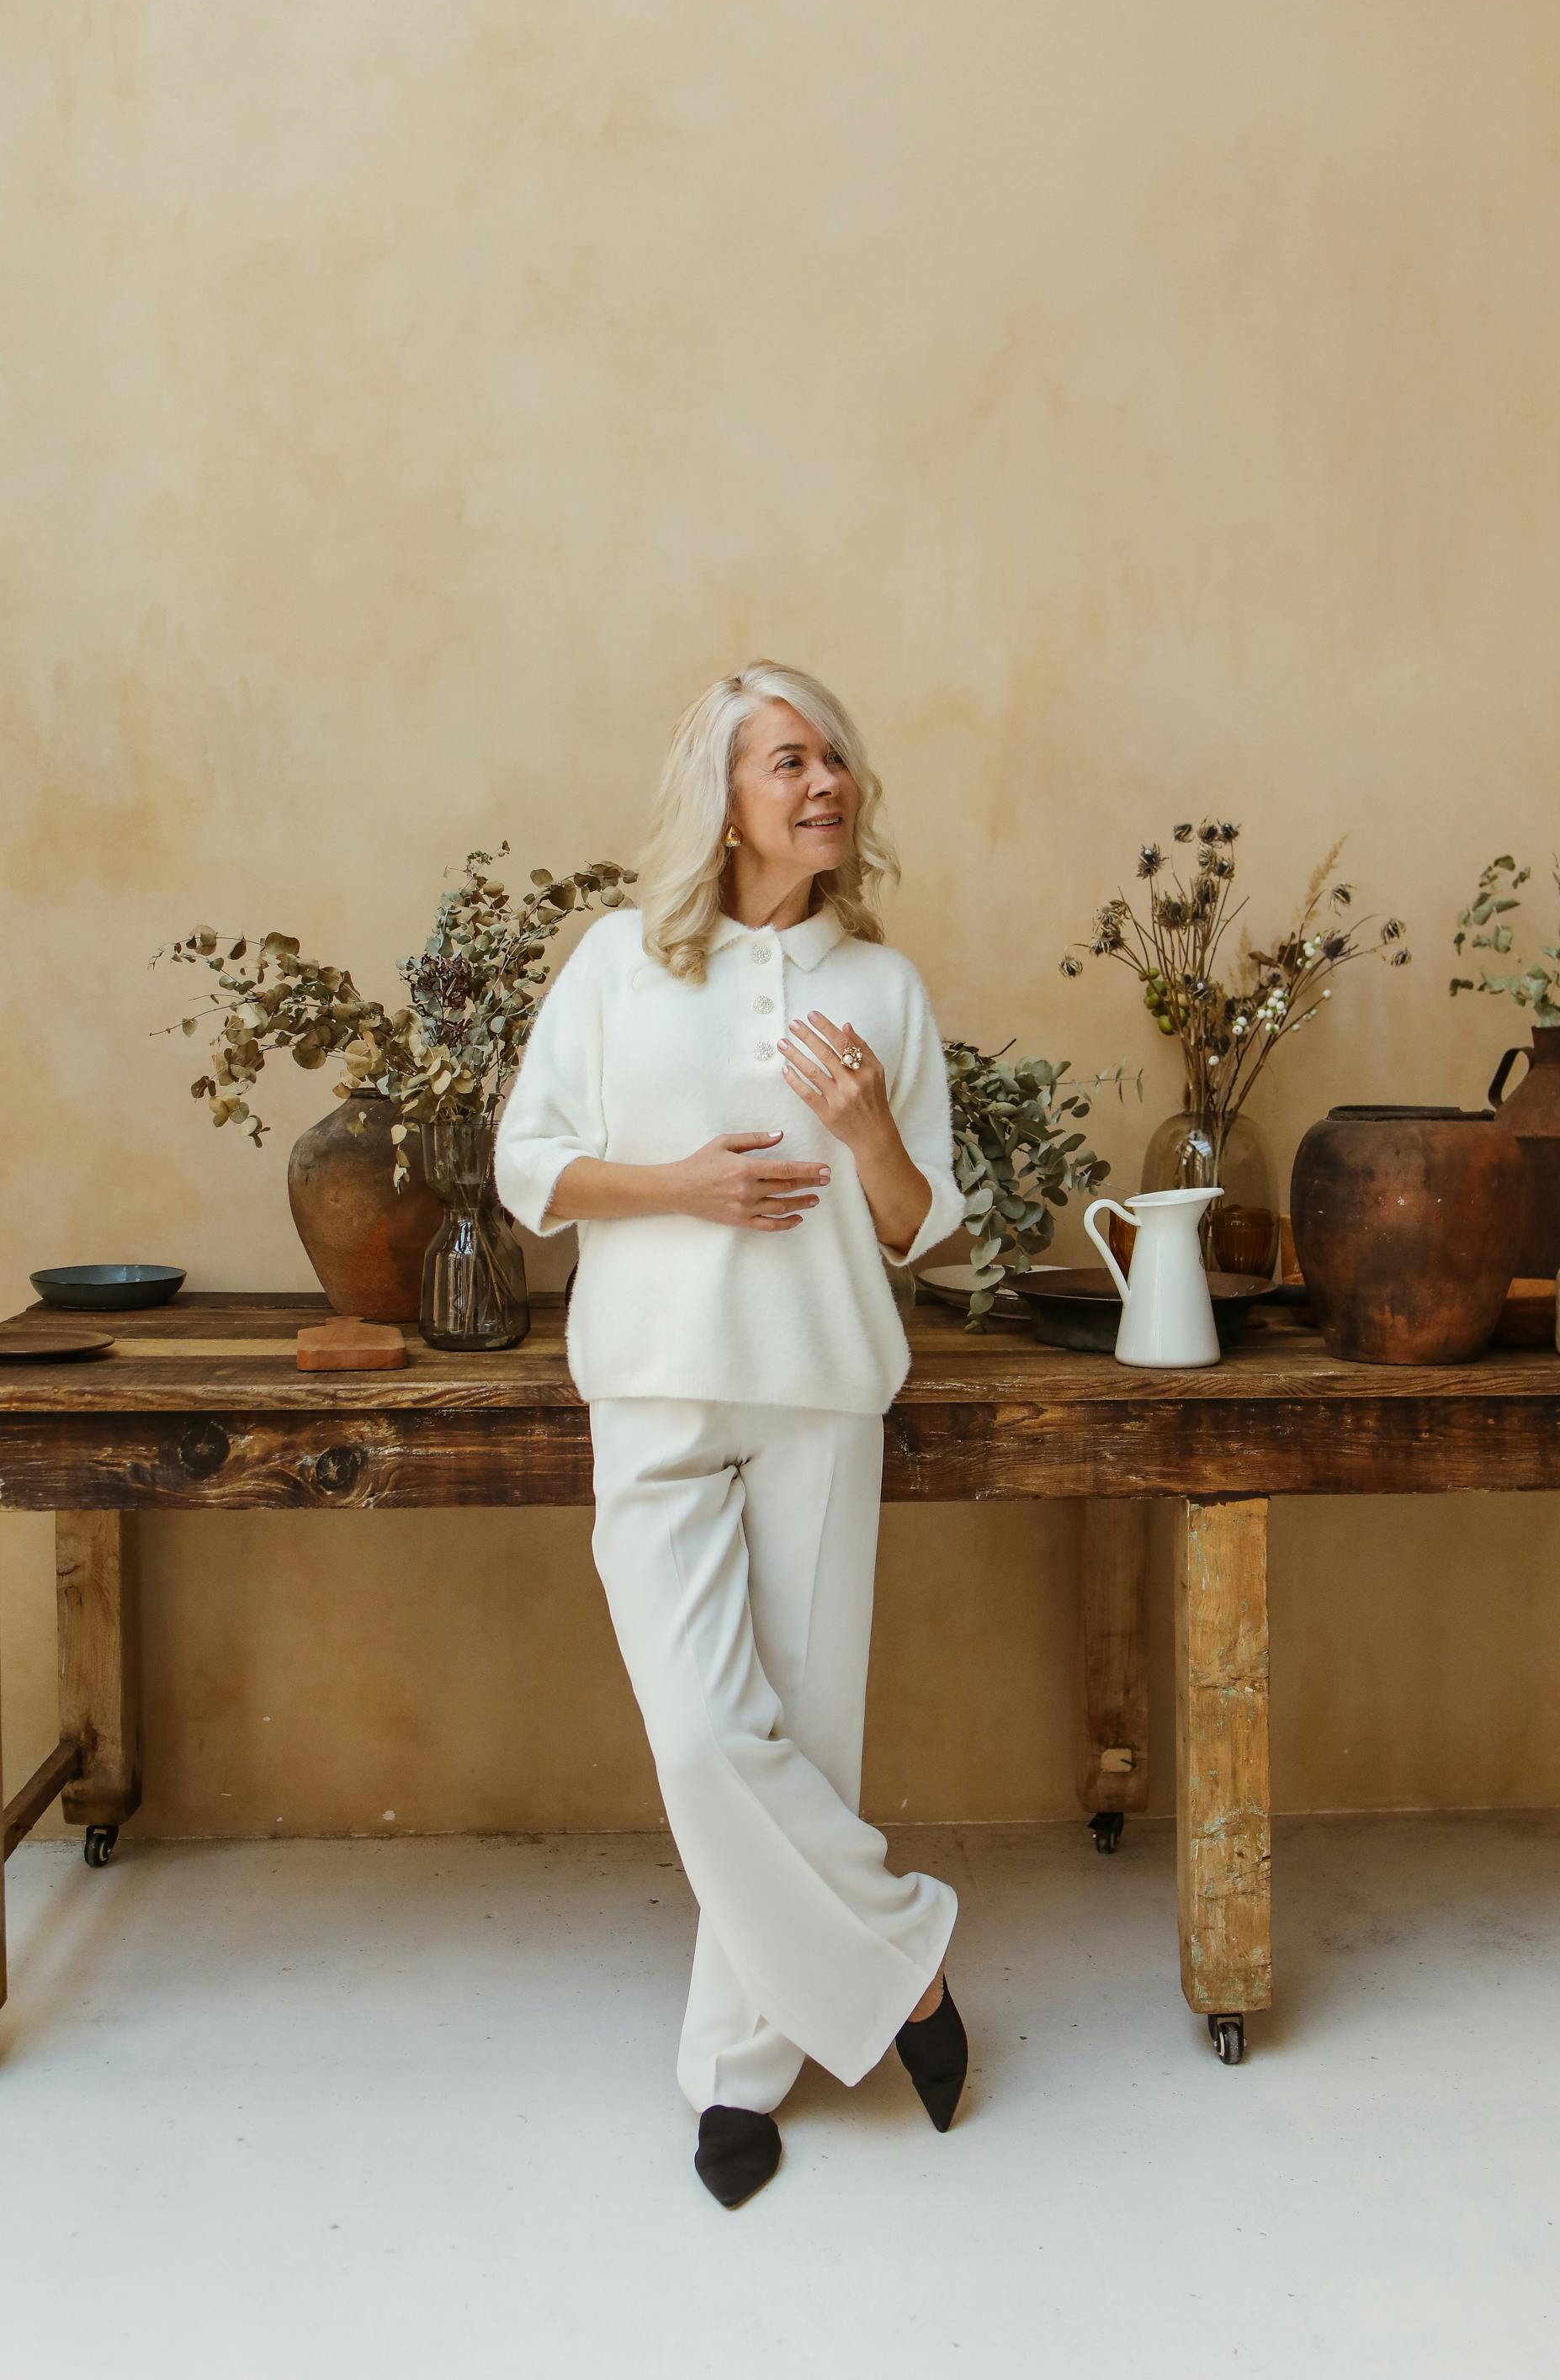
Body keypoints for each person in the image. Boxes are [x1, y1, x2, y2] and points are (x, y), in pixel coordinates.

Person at [493, 662, 971, 2208]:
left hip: (824, 1392)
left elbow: (920, 1234)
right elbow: (529, 1167)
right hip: (654, 1390)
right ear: (726, 794)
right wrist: (683, 1186)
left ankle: (738, 2077)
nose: (826, 783)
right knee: (709, 1743)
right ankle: (909, 1968)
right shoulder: (622, 964)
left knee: (801, 1753)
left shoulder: (885, 990)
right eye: (790, 760)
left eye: (836, 757)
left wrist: (877, 1132)